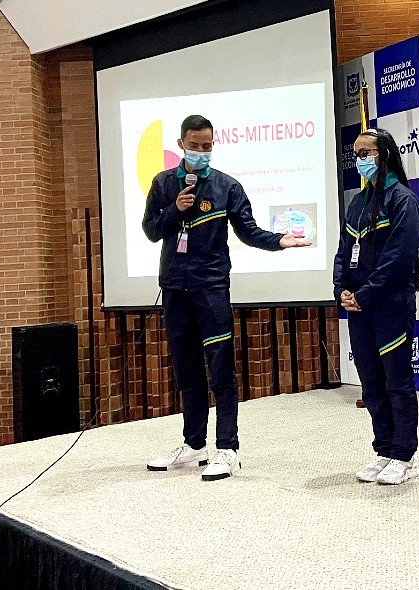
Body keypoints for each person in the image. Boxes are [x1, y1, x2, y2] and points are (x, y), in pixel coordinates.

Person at [142, 115, 309, 481]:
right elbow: (152, 230)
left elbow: (248, 231)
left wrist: (280, 240)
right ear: (181, 143)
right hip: (174, 288)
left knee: (220, 370)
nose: (201, 152)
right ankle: (194, 444)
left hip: (211, 288)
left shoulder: (227, 187)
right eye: (194, 145)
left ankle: (227, 448)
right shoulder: (164, 183)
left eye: (207, 146)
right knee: (186, 370)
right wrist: (176, 210)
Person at [334, 128, 419, 485]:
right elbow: (343, 251)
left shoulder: (402, 200)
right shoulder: (357, 202)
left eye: (367, 152)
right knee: (371, 382)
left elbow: (398, 259)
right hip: (358, 307)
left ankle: (405, 455)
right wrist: (341, 288)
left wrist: (366, 294)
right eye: (356, 154)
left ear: (385, 154)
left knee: (396, 382)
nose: (361, 160)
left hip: (389, 304)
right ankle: (384, 449)